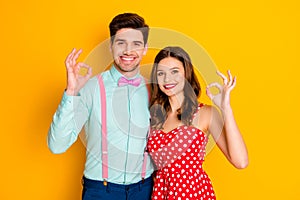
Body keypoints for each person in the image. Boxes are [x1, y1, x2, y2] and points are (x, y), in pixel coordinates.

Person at [48, 13, 154, 200]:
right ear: (111, 46)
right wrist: (71, 92)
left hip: (144, 190)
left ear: (145, 48)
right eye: (121, 43)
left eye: (136, 44)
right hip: (100, 191)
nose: (128, 51)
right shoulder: (90, 88)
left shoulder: (155, 91)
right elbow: (57, 145)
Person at [147, 46, 248, 200]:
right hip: (161, 193)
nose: (167, 79)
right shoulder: (153, 115)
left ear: (186, 74)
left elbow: (240, 162)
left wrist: (225, 107)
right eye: (161, 73)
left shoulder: (206, 113)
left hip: (192, 193)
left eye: (175, 71)